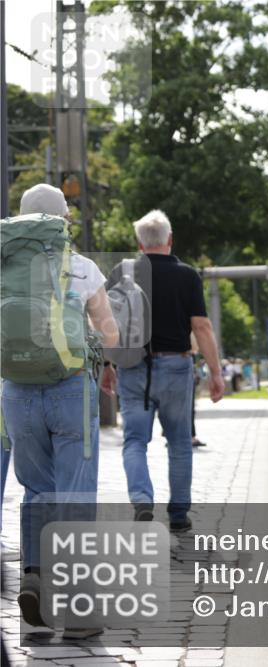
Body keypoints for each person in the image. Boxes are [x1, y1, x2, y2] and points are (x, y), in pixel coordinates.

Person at [2, 184, 118, 636]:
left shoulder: (3, 264)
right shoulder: (82, 267)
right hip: (71, 389)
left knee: (35, 489)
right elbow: (109, 333)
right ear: (62, 221)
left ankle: (35, 574)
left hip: (15, 391)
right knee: (75, 493)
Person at [104, 209, 225, 533]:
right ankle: (179, 515)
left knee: (134, 441)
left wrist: (106, 364)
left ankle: (142, 499)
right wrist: (215, 372)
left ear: (139, 243)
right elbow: (201, 325)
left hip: (132, 368)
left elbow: (106, 323)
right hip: (175, 365)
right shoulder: (187, 275)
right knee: (180, 443)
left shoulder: (121, 272)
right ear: (170, 240)